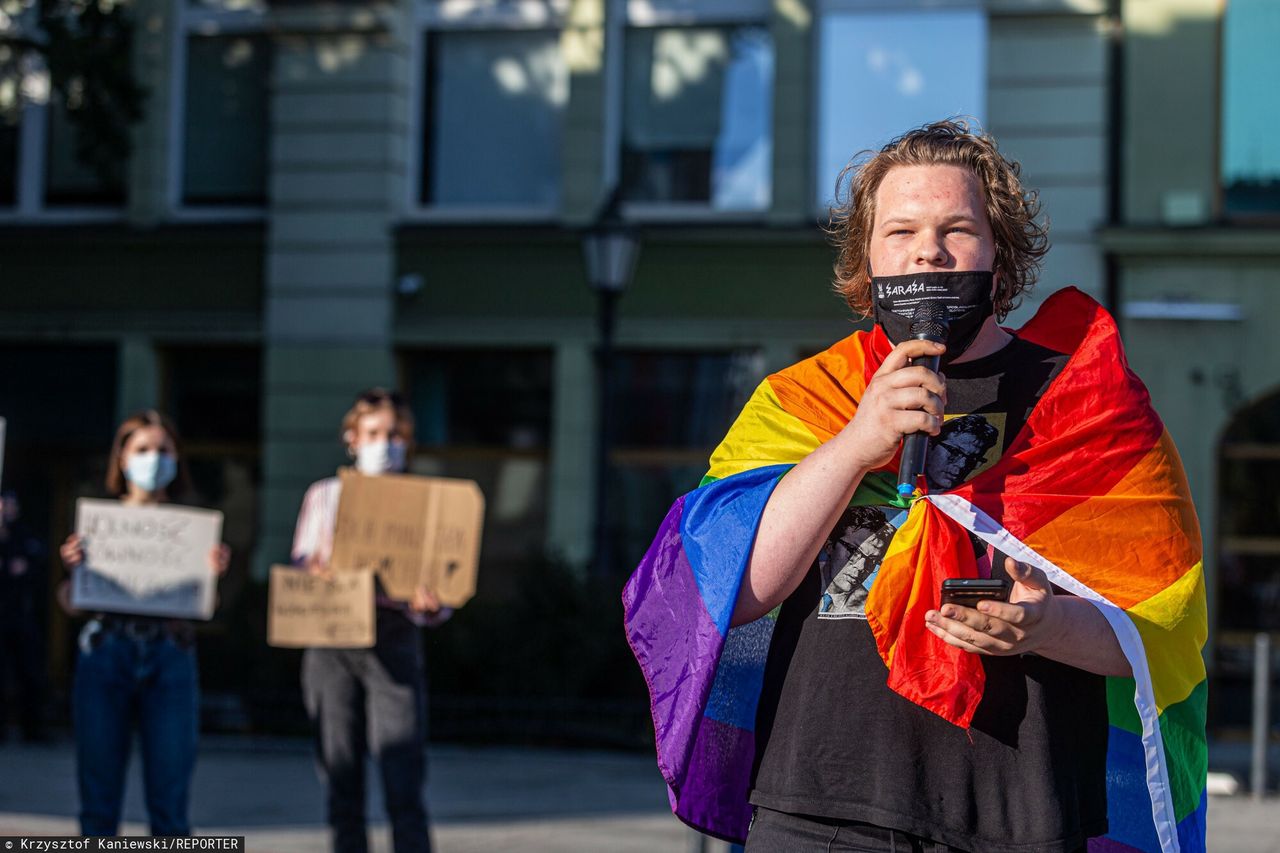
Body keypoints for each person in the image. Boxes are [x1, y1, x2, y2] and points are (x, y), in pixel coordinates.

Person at [623, 120, 1206, 853]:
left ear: (1001, 259)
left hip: (1019, 810)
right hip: (818, 807)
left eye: (956, 228)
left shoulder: (1091, 405)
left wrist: (1044, 626)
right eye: (900, 230)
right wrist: (857, 444)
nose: (926, 249)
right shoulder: (806, 401)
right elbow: (732, 590)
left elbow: (1162, 632)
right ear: (866, 261)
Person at [58, 410, 231, 836]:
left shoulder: (192, 529)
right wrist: (75, 573)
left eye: (163, 450)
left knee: (170, 808)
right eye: (143, 449)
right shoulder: (96, 527)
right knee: (98, 806)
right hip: (105, 652)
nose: (153, 459)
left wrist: (212, 576)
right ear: (122, 459)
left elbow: (207, 607)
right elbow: (68, 603)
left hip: (170, 654)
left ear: (177, 459)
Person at [291, 388, 448, 853]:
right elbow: (301, 565)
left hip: (393, 636)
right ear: (353, 438)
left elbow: (443, 586)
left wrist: (431, 604)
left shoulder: (427, 502)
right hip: (332, 637)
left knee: (404, 778)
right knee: (341, 778)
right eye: (376, 433)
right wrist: (315, 573)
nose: (387, 443)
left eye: (396, 434)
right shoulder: (324, 496)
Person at [0, 491, 50, 743]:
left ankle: (33, 728)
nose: (6, 509)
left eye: (10, 504)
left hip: (21, 614)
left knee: (30, 672)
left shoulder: (25, 536)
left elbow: (37, 562)